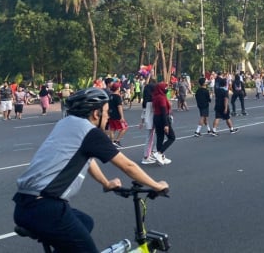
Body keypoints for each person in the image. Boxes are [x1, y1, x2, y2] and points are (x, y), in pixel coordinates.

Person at [12, 88, 168, 252]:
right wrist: (156, 185)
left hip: (25, 205)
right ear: (95, 113)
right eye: (107, 111)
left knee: (85, 222)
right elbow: (127, 166)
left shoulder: (66, 124)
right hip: (46, 209)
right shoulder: (90, 132)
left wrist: (106, 183)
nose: (108, 116)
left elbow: (87, 159)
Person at [152, 82, 175, 165]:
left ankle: (160, 157)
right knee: (172, 137)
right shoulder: (161, 98)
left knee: (160, 137)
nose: (166, 89)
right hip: (162, 118)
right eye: (165, 88)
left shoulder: (156, 96)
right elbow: (163, 111)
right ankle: (159, 153)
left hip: (156, 118)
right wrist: (166, 124)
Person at [139, 78, 158, 165]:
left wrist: (141, 122)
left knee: (149, 138)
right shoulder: (152, 102)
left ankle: (149, 154)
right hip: (152, 121)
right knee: (150, 139)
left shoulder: (145, 102)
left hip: (148, 121)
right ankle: (146, 156)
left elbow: (143, 112)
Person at [107, 82, 128, 148]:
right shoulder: (117, 97)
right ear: (118, 88)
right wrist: (122, 116)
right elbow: (119, 107)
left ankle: (112, 142)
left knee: (112, 129)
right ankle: (117, 141)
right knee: (124, 128)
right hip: (117, 116)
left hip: (110, 114)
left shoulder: (110, 96)